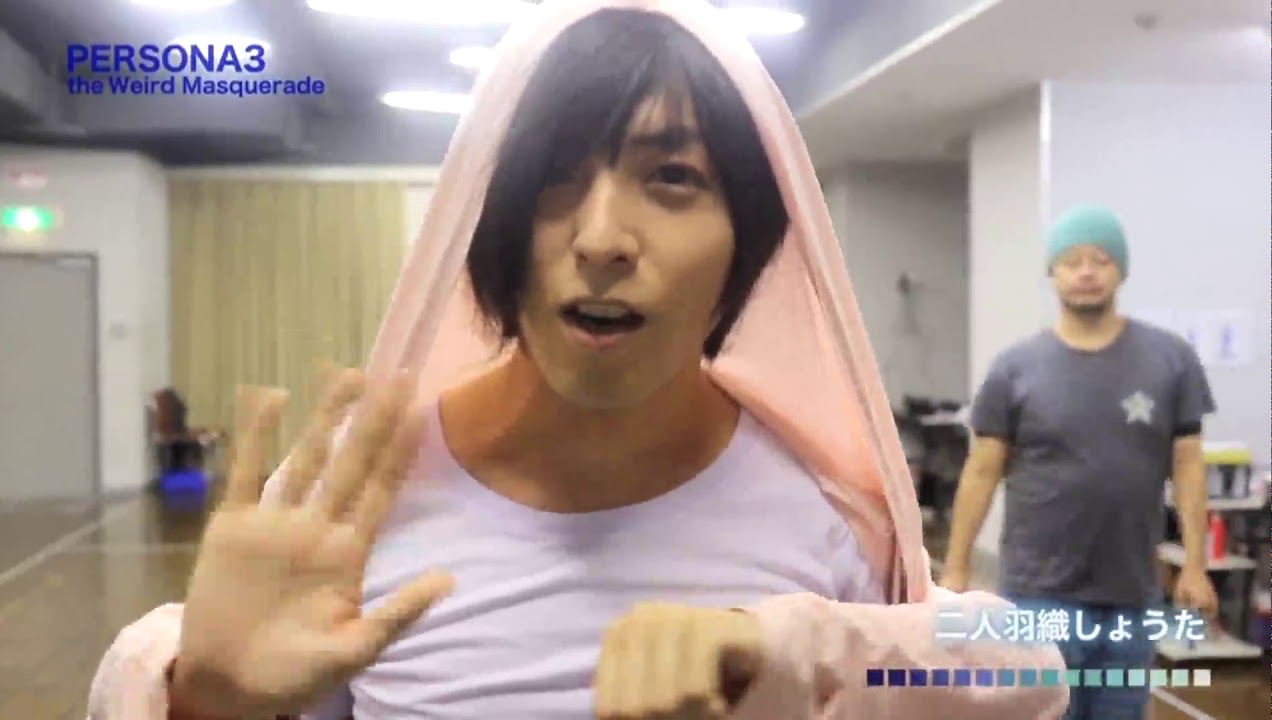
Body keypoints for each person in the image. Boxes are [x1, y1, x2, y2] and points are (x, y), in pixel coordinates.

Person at [88, 2, 1068, 718]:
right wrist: (202, 699)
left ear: (751, 240)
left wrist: (788, 651)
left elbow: (1031, 663)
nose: (601, 237)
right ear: (489, 224)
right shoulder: (354, 497)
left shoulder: (826, 495)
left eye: (672, 177)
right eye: (553, 177)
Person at [939, 205, 1218, 720]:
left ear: (1121, 270)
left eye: (1100, 260)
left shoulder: (1170, 359)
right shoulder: (1015, 368)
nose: (1086, 272)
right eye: (1071, 261)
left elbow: (1188, 465)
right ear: (1053, 272)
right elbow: (982, 470)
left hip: (1132, 593)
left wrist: (1196, 564)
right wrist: (956, 569)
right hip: (1038, 594)